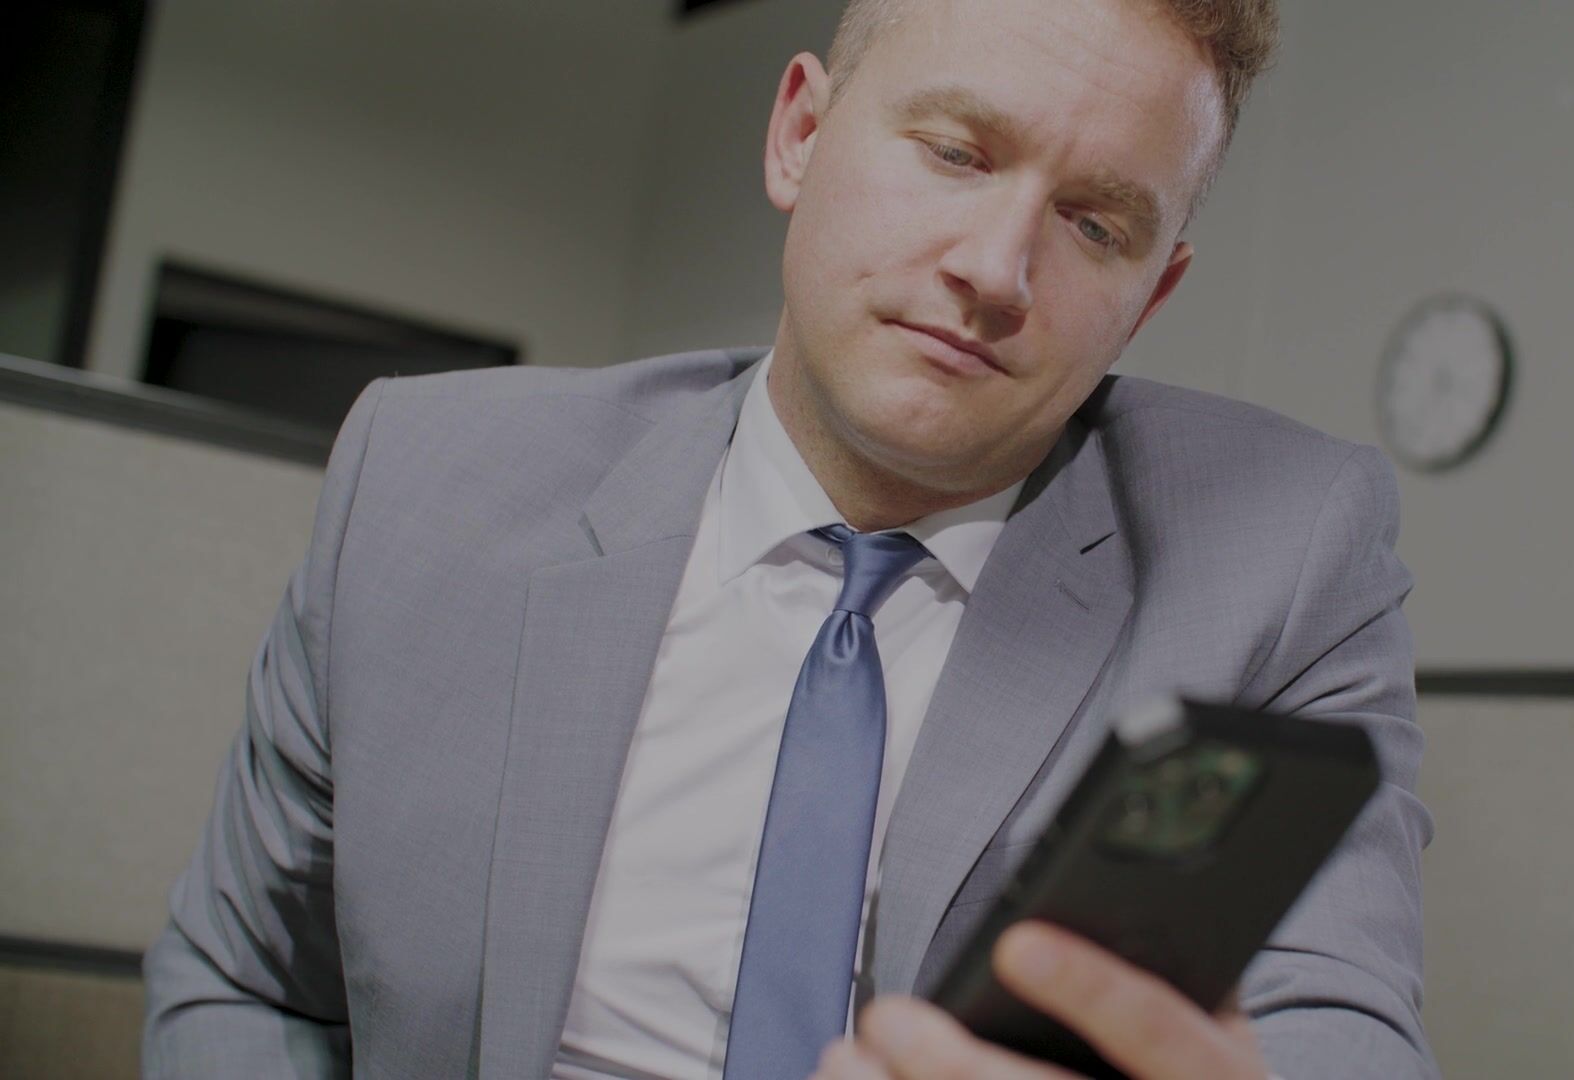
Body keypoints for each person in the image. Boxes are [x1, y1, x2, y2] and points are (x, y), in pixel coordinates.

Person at [142, 0, 1437, 1077]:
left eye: (1096, 225)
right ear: (800, 135)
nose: (996, 269)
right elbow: (249, 983)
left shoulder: (1280, 553)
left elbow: (1338, 1024)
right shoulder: (430, 483)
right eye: (958, 153)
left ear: (1151, 296)